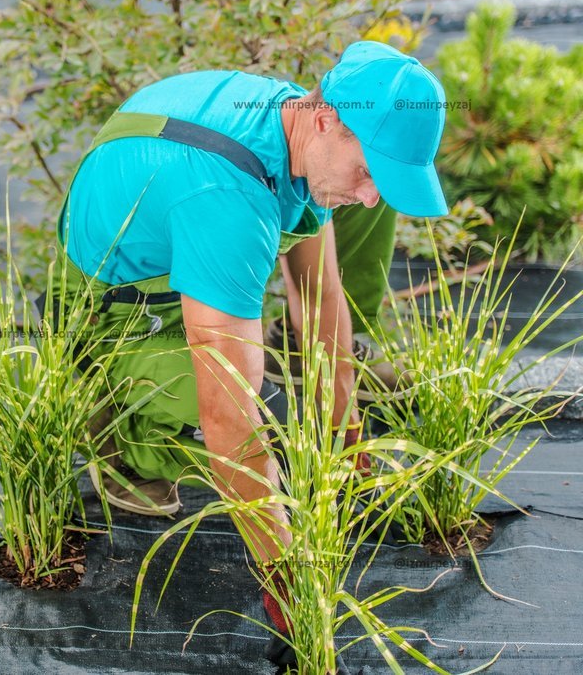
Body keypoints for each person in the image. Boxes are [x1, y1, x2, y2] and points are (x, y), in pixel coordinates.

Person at [41, 41, 448, 672]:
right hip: (118, 304)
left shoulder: (299, 130)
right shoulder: (225, 196)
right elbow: (228, 413)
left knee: (362, 219)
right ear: (326, 120)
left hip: (193, 232)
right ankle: (125, 432)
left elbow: (318, 292)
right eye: (370, 170)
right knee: (248, 419)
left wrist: (345, 430)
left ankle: (270, 348)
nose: (373, 192)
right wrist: (286, 577)